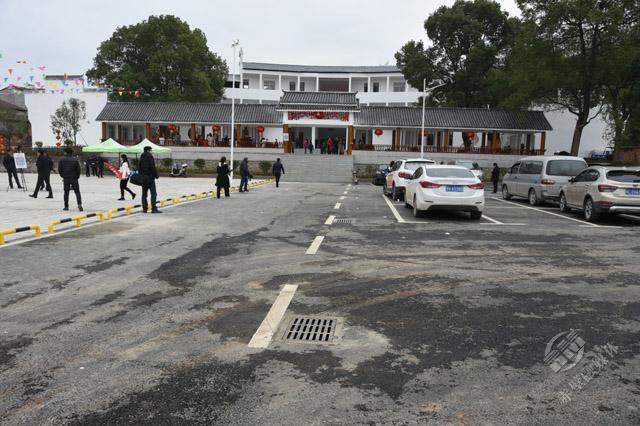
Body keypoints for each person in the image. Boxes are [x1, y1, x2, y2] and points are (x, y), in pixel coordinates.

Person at [58, 147, 82, 211]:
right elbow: (78, 169)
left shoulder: (62, 159)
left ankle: (66, 206)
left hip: (66, 178)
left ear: (65, 152)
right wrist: (77, 176)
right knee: (77, 192)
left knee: (66, 192)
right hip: (74, 178)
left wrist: (62, 176)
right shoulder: (75, 159)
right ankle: (79, 204)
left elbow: (60, 169)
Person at [139, 146, 161, 213]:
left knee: (144, 194)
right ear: (148, 150)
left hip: (143, 178)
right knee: (153, 193)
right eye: (151, 150)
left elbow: (139, 167)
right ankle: (153, 208)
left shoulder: (141, 157)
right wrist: (156, 175)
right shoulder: (150, 156)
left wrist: (141, 175)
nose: (152, 151)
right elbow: (152, 167)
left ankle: (144, 209)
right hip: (150, 177)